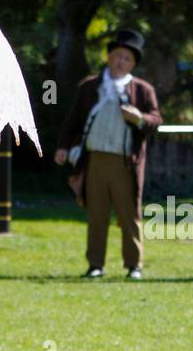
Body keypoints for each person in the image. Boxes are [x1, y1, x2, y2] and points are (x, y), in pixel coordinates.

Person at [55, 28, 162, 279]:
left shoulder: (142, 90)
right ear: (109, 57)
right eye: (117, 56)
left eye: (127, 58)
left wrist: (139, 118)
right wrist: (63, 146)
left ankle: (133, 265)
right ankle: (96, 264)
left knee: (129, 214)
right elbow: (73, 120)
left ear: (133, 63)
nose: (121, 62)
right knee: (97, 214)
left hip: (126, 162)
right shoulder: (90, 87)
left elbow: (156, 119)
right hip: (95, 159)